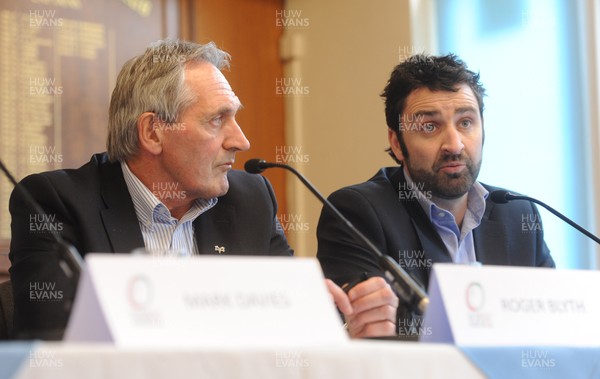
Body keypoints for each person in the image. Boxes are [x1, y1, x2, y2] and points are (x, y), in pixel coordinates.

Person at [8, 39, 391, 340]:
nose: (240, 140)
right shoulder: (54, 203)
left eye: (235, 117)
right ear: (154, 132)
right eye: (217, 121)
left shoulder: (250, 200)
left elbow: (289, 333)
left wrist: (342, 328)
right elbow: (57, 345)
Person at [317, 53, 555, 337]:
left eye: (466, 122)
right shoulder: (356, 212)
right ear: (396, 143)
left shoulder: (518, 214)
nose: (454, 145)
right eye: (430, 127)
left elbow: (550, 329)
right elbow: (372, 336)